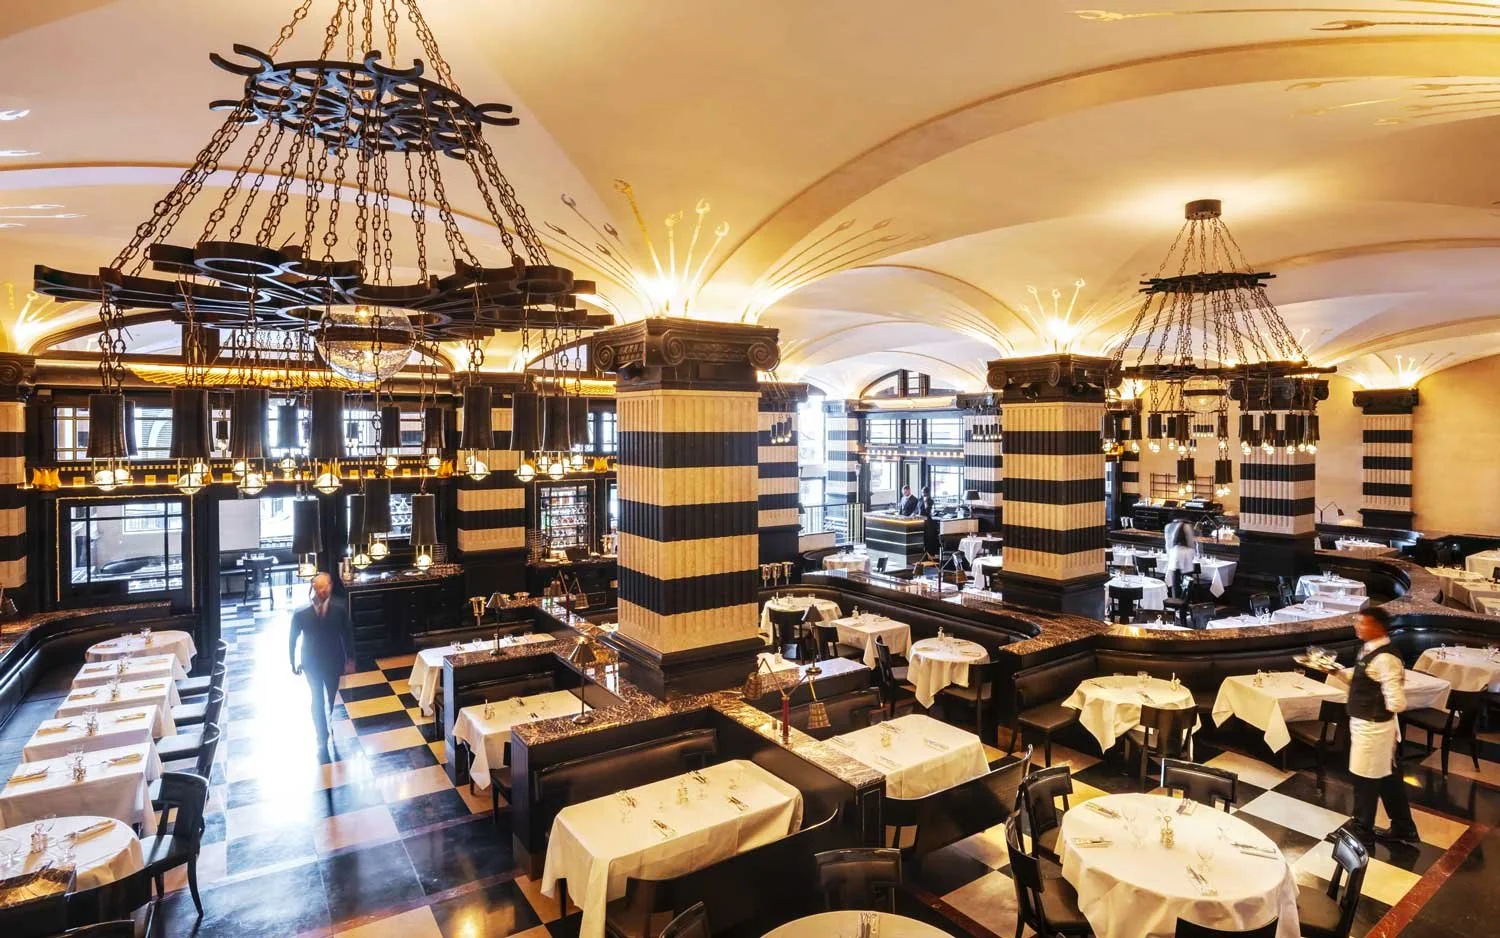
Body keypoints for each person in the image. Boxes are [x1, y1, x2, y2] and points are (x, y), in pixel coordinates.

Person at [1345, 607, 1419, 848]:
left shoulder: (1386, 658)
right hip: (1366, 723)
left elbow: (1397, 701)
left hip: (1374, 728)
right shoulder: (1370, 649)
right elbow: (1367, 681)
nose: (1357, 626)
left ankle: (1362, 830)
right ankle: (1403, 827)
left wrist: (1377, 706)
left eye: (1362, 623)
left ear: (1378, 627)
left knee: (1365, 778)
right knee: (1387, 778)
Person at [289, 572, 354, 752]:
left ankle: (328, 717)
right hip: (311, 662)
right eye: (319, 587)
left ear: (330, 586)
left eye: (325, 587)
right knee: (317, 697)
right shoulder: (301, 613)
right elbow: (292, 639)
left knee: (331, 695)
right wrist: (292, 662)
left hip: (334, 660)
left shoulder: (339, 609)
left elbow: (347, 634)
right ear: (313, 588)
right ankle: (321, 733)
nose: (322, 591)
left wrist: (350, 659)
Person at [1164, 519, 1196, 598]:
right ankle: (1186, 600)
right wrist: (1193, 555)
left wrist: (1169, 556)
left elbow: (1168, 544)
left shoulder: (1168, 526)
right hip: (1186, 555)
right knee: (1187, 579)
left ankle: (1176, 600)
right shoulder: (1187, 526)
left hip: (1174, 554)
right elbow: (1191, 543)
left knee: (1175, 581)